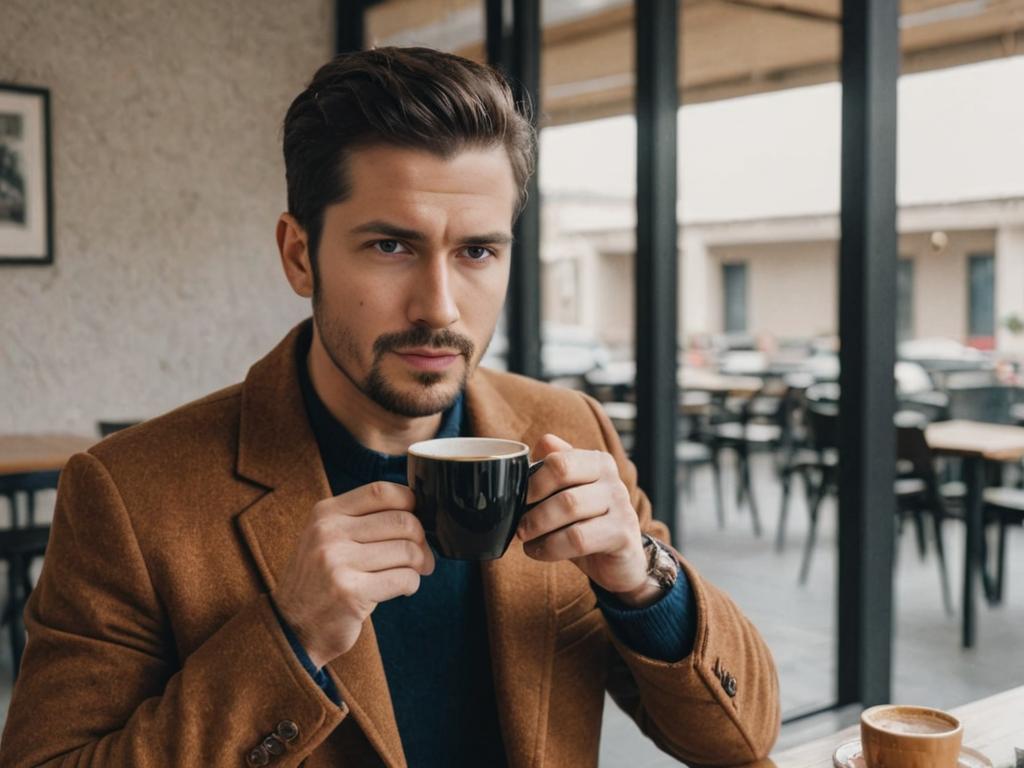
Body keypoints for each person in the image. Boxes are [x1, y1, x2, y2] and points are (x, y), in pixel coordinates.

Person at [0, 47, 779, 767]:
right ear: (300, 255)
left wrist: (642, 580)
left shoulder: (570, 431)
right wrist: (288, 639)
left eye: (477, 251)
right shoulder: (127, 494)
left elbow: (742, 739)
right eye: (390, 247)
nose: (439, 306)